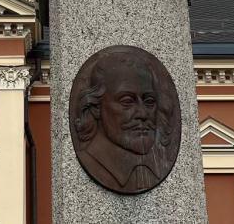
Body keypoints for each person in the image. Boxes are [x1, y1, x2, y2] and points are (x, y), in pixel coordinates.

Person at [72, 51, 174, 192]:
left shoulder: (160, 163)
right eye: (127, 101)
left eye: (149, 101)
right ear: (96, 107)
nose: (143, 114)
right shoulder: (91, 161)